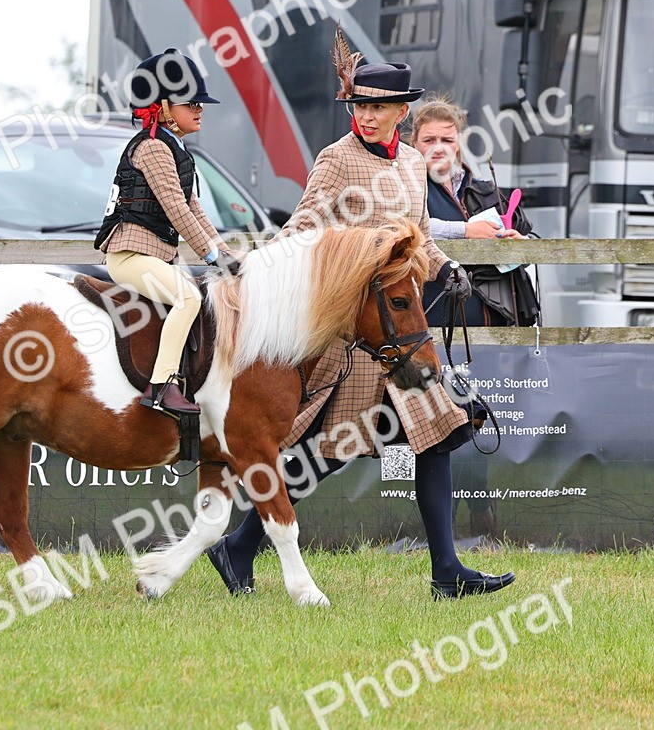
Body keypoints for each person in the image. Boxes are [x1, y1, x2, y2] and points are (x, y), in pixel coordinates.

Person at [206, 37, 515, 600]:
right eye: (360, 106)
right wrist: (256, 277)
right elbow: (300, 230)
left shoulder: (414, 161)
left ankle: (446, 573)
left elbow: (415, 238)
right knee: (325, 453)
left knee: (437, 437)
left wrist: (445, 269)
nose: (367, 116)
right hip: (349, 339)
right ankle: (238, 546)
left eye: (378, 107)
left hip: (398, 334)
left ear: (402, 112)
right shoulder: (335, 159)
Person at [94, 48, 242, 416]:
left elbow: (194, 209)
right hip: (130, 257)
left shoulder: (176, 150)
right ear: (161, 107)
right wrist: (211, 257)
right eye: (190, 102)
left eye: (200, 102)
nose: (200, 109)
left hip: (152, 256)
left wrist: (226, 255)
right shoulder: (154, 148)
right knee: (189, 298)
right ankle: (162, 385)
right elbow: (176, 211)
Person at [410, 96, 540, 329]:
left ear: (458, 144)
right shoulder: (406, 189)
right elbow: (409, 227)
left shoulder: (484, 190)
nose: (438, 147)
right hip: (436, 329)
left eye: (447, 140)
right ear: (414, 144)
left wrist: (520, 245)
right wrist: (466, 230)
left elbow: (526, 243)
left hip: (498, 327)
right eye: (429, 140)